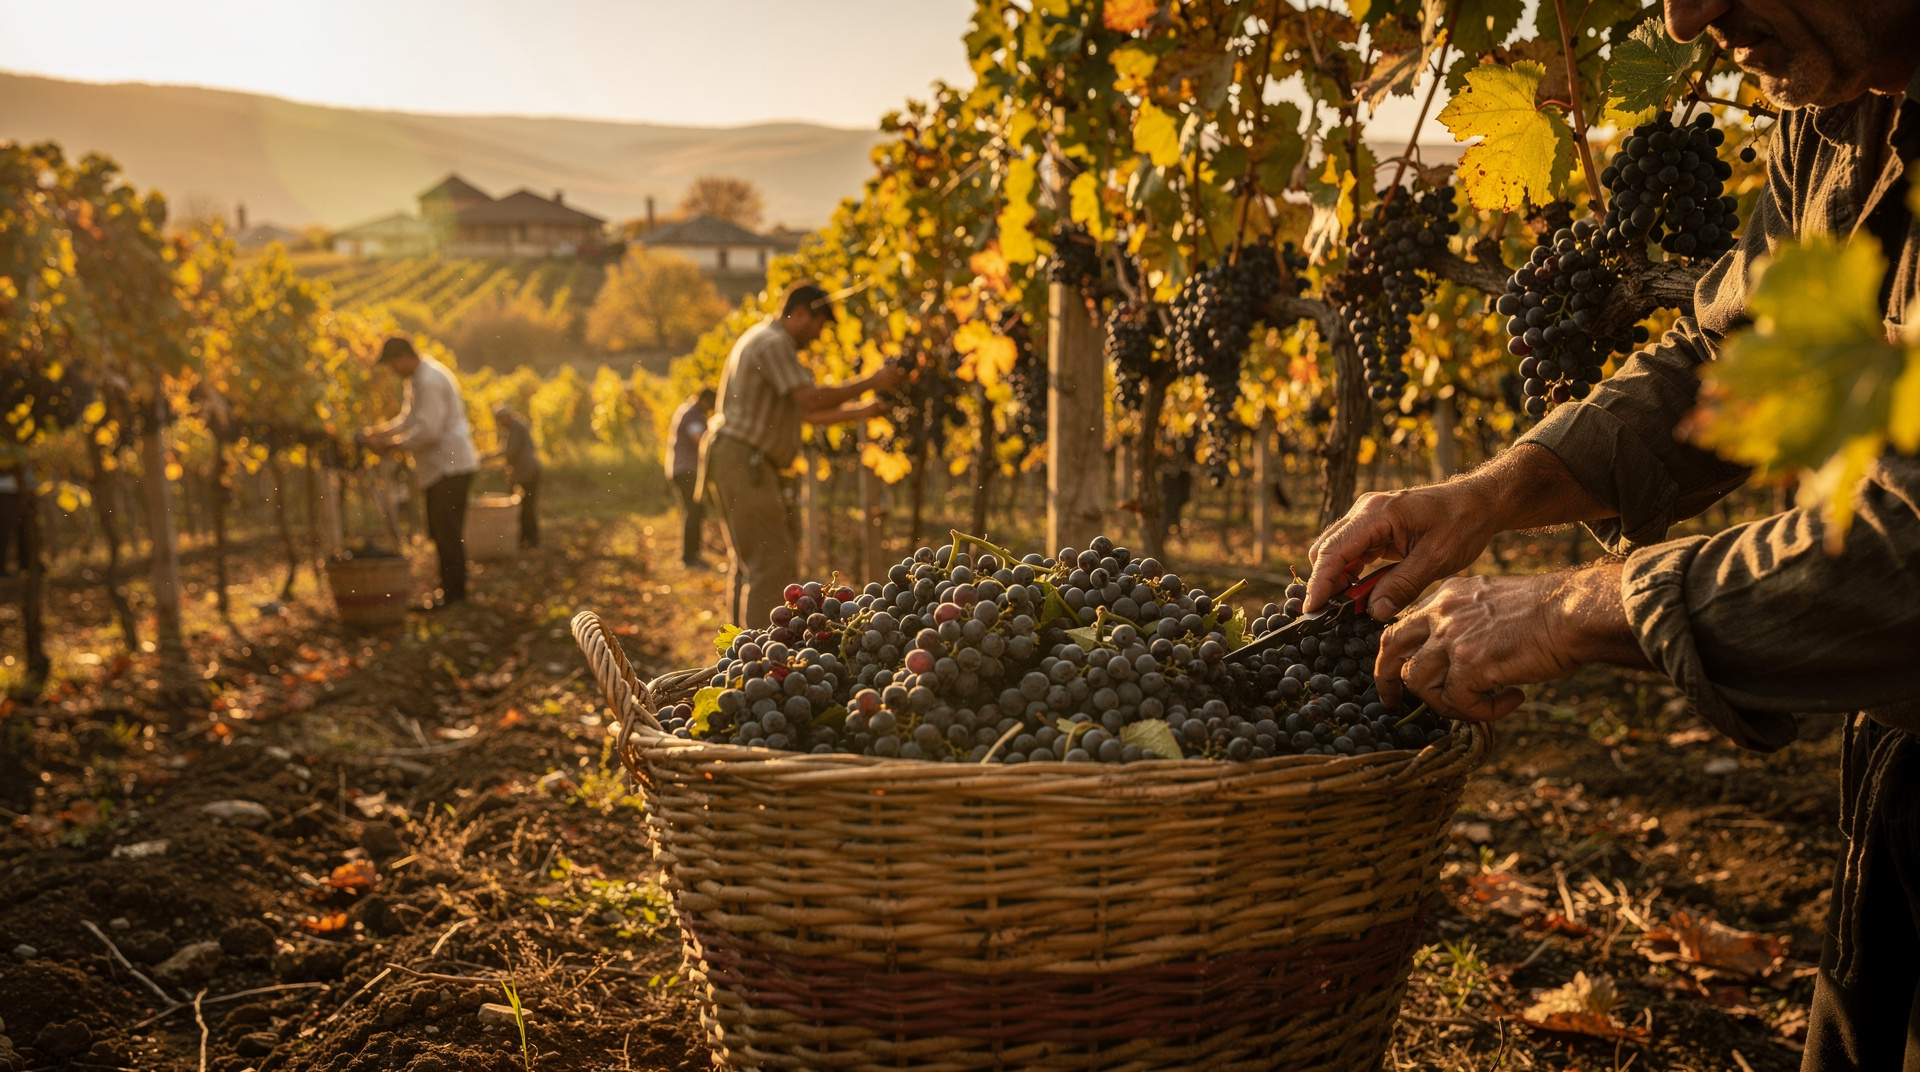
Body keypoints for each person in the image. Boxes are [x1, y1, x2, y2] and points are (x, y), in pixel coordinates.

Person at [1306, 3, 1920, 1068]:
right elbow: (1750, 353)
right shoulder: (1841, 99)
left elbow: (1906, 552)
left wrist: (1571, 605)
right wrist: (1495, 492)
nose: (1687, 16)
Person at [698, 281, 902, 628]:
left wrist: (862, 411)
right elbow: (810, 399)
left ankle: (735, 657)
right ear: (801, 313)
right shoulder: (774, 342)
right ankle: (758, 666)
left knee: (751, 562)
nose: (819, 336)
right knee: (772, 564)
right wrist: (872, 380)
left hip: (734, 457)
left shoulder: (761, 338)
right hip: (743, 460)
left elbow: (805, 414)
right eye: (819, 325)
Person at [360, 337, 480, 608]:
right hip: (443, 468)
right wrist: (379, 433)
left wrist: (389, 445)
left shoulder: (429, 381)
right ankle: (452, 592)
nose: (392, 370)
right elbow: (409, 420)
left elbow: (428, 431)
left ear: (404, 357)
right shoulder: (418, 379)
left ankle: (454, 596)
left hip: (449, 467)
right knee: (442, 531)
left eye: (392, 364)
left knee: (446, 532)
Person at [667, 388, 715, 567]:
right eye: (710, 404)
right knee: (693, 512)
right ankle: (689, 557)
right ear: (704, 400)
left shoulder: (688, 410)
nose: (710, 409)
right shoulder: (693, 414)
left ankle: (692, 555)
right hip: (686, 469)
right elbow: (699, 439)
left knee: (695, 511)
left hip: (681, 468)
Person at [489, 405, 542, 549]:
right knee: (521, 505)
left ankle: (530, 540)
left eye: (501, 420)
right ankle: (523, 538)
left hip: (527, 473)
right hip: (523, 472)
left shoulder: (517, 427)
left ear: (506, 416)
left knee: (526, 506)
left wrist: (490, 458)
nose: (500, 423)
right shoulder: (513, 428)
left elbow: (512, 451)